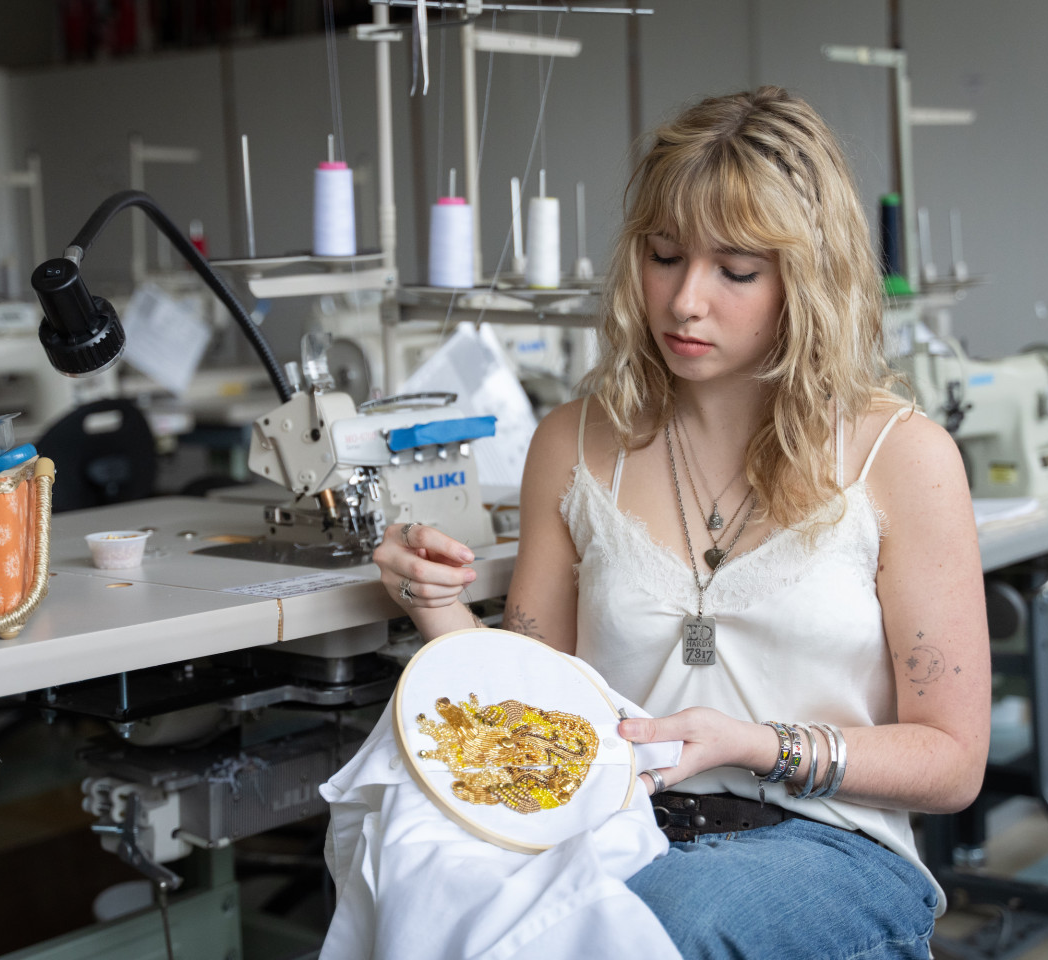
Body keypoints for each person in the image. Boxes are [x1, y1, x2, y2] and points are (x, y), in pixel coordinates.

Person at [372, 86, 989, 959]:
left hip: (825, 842)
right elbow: (533, 707)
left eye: (736, 271)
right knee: (412, 882)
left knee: (650, 928)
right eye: (664, 257)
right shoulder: (578, 444)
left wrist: (755, 745)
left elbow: (953, 761)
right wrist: (432, 601)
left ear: (808, 278)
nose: (685, 301)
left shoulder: (901, 457)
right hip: (619, 824)